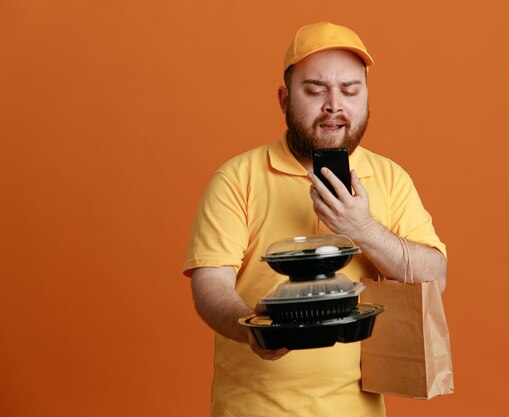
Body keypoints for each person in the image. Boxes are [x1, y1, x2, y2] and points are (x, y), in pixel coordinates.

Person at [183, 21, 447, 417]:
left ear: (366, 98)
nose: (334, 105)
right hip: (254, 409)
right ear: (283, 99)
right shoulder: (237, 178)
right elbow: (209, 284)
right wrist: (251, 327)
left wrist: (362, 229)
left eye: (350, 90)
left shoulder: (391, 178)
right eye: (315, 90)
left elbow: (434, 277)